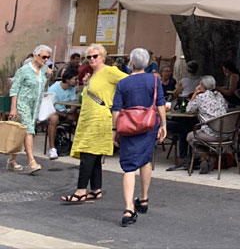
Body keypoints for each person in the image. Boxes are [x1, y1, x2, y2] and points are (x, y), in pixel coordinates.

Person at [63, 44, 128, 203]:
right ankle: (96, 189)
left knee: (87, 154)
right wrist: (87, 84)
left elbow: (129, 82)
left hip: (99, 119)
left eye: (95, 56)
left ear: (103, 57)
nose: (92, 59)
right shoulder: (93, 74)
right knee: (95, 156)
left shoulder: (110, 71)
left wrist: (120, 104)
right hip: (89, 118)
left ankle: (80, 191)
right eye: (89, 57)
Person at [111, 48, 166, 227]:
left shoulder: (123, 83)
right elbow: (160, 104)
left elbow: (116, 110)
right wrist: (163, 124)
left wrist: (114, 130)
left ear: (131, 63)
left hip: (128, 126)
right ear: (149, 63)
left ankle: (128, 208)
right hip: (149, 125)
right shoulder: (155, 80)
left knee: (128, 167)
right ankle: (143, 198)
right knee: (145, 160)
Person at [7, 44, 53, 173]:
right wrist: (13, 108)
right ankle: (32, 162)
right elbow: (14, 89)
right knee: (28, 131)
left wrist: (49, 74)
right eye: (44, 57)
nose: (46, 60)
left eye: (48, 58)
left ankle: (11, 161)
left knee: (23, 133)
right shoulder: (24, 70)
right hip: (23, 103)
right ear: (35, 56)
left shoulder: (43, 70)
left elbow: (44, 85)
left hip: (35, 105)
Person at [185, 75, 229, 174]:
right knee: (201, 134)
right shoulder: (219, 95)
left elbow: (188, 110)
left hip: (212, 135)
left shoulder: (200, 97)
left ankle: (205, 157)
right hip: (225, 133)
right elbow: (225, 108)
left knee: (190, 136)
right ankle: (210, 157)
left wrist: (195, 93)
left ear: (202, 86)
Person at [47, 69, 79, 160]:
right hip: (53, 111)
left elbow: (72, 102)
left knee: (80, 116)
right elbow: (49, 106)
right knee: (54, 119)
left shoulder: (72, 88)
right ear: (68, 79)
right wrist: (64, 114)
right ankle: (52, 148)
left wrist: (71, 110)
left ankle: (78, 145)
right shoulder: (54, 88)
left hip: (64, 111)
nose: (77, 81)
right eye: (75, 79)